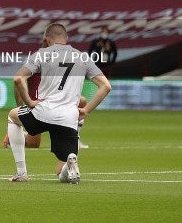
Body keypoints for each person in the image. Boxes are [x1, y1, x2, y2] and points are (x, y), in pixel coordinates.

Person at [6, 22, 111, 184]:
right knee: (61, 171)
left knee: (13, 117)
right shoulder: (83, 57)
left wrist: (29, 102)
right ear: (67, 38)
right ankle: (69, 163)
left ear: (46, 39)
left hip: (43, 112)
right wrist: (87, 110)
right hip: (69, 118)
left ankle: (21, 173)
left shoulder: (42, 54)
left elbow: (18, 79)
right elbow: (105, 86)